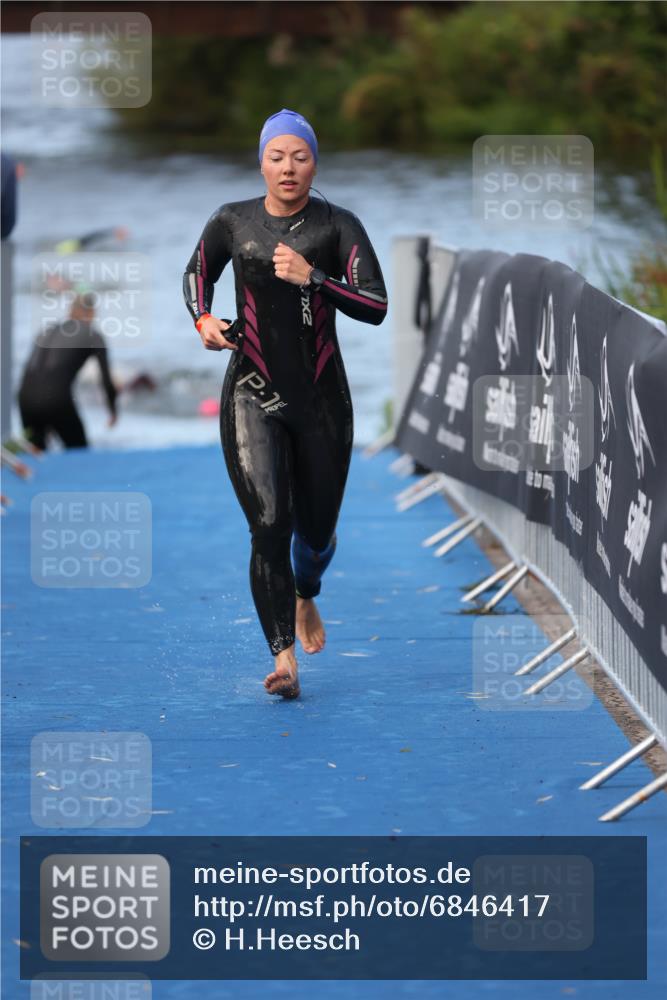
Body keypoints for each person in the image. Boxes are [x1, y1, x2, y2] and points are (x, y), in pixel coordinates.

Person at [183, 108, 388, 699]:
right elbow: (197, 274)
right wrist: (202, 319)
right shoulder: (232, 221)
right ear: (262, 163)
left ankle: (306, 593)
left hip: (322, 400)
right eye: (277, 157)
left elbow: (376, 306)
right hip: (251, 391)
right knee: (269, 523)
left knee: (316, 535)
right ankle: (283, 658)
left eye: (299, 157)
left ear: (314, 164)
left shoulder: (338, 226)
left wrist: (313, 277)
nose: (288, 167)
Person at [18, 292, 118, 450]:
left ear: (71, 310)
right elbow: (105, 380)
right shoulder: (93, 335)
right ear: (91, 312)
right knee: (79, 453)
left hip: (25, 398)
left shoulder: (46, 331)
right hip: (56, 399)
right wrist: (113, 411)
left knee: (36, 455)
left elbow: (34, 370)